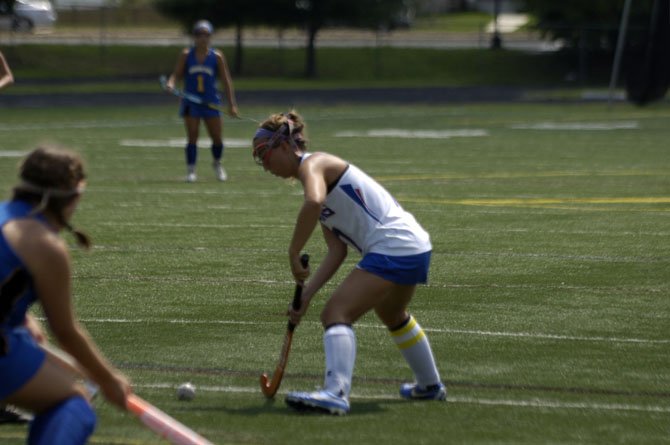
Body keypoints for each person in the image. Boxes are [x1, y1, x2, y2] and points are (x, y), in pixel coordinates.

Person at [251, 111, 446, 415]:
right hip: (413, 245)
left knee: (335, 313)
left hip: (393, 245)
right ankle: (429, 385)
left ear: (285, 146)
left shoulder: (314, 165)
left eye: (264, 154)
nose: (264, 165)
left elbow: (313, 203)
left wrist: (293, 252)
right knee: (392, 313)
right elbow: (336, 251)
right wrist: (307, 294)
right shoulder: (318, 179)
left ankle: (335, 393)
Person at [0, 146, 132, 443]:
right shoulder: (46, 245)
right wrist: (108, 380)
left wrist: (20, 316)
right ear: (71, 198)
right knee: (72, 402)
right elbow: (66, 332)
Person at [166, 19, 239, 183]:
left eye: (206, 35)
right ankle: (191, 169)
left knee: (217, 137)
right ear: (194, 37)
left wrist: (232, 104)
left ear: (210, 36)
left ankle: (217, 163)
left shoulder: (217, 56)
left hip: (211, 102)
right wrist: (171, 84)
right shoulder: (186, 55)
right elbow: (176, 74)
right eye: (199, 34)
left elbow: (226, 81)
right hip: (191, 103)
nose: (202, 38)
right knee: (192, 136)